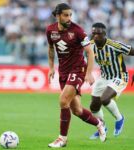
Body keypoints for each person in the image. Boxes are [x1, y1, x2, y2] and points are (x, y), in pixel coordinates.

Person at [46, 3, 106, 148]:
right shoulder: (50, 30)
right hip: (63, 72)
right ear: (58, 15)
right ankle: (99, 124)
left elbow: (90, 52)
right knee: (77, 110)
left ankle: (62, 139)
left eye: (70, 15)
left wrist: (89, 72)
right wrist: (51, 68)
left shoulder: (77, 30)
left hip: (77, 69)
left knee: (62, 101)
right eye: (66, 15)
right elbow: (50, 48)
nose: (69, 18)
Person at [89, 22, 134, 140]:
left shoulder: (115, 45)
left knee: (104, 98)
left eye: (98, 33)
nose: (95, 36)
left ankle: (119, 118)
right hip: (103, 77)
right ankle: (102, 128)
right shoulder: (90, 45)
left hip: (119, 76)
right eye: (93, 33)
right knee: (94, 105)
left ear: (104, 34)